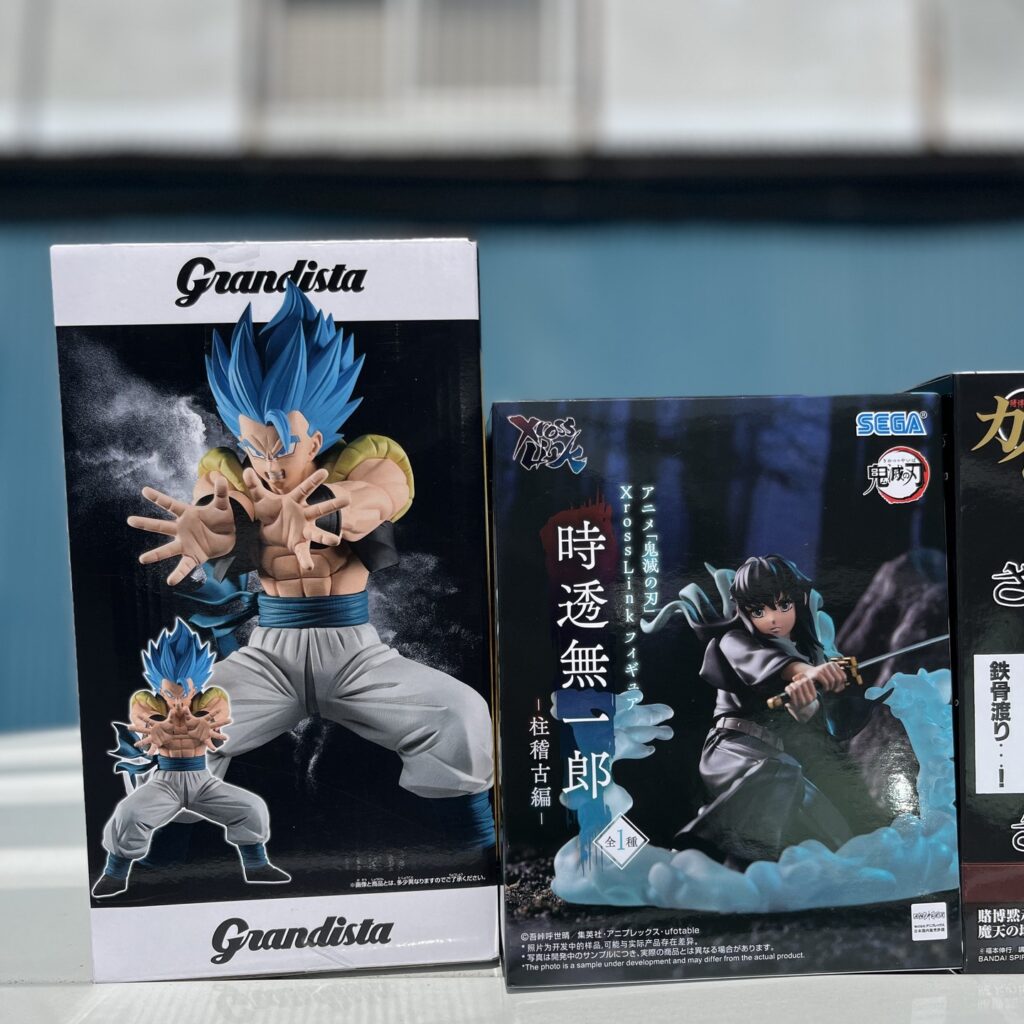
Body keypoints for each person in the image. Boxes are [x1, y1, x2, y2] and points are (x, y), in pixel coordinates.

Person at [127, 282, 495, 853]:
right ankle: (166, 872)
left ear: (315, 437)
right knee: (173, 733)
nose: (267, 463)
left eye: (280, 447)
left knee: (463, 715)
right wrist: (212, 528)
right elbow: (220, 508)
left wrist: (329, 512)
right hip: (268, 658)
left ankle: (472, 856)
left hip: (356, 654)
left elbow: (378, 497)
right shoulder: (230, 473)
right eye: (255, 447)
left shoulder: (365, 458)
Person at [643, 554, 883, 868]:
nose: (773, 619)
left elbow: (806, 716)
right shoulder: (734, 641)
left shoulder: (807, 648)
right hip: (730, 749)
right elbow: (768, 665)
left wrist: (807, 696)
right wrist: (806, 672)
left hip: (772, 757)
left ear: (797, 601)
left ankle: (744, 871)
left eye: (783, 605)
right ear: (745, 612)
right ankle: (698, 849)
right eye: (759, 610)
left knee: (833, 834)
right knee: (780, 773)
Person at [92, 620, 289, 897]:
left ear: (197, 683)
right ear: (158, 684)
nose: (178, 700)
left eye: (185, 691)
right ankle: (115, 873)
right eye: (170, 693)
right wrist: (156, 730)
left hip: (203, 780)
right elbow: (144, 726)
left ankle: (256, 865)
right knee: (129, 813)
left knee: (251, 807)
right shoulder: (146, 701)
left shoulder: (213, 698)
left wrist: (205, 727)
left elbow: (218, 731)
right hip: (165, 781)